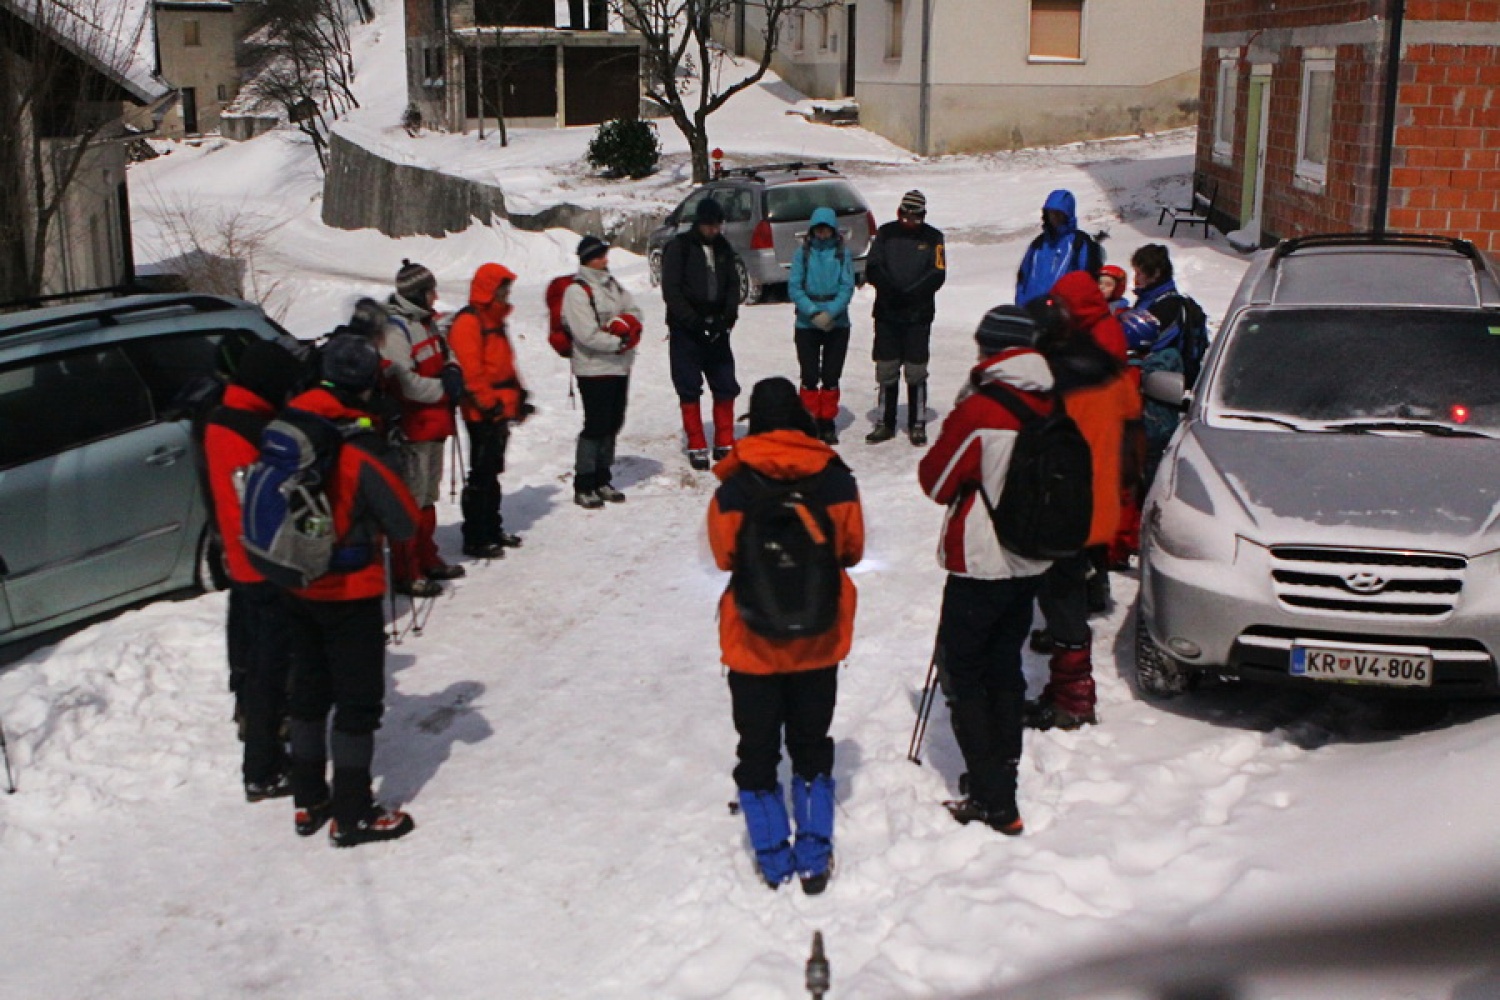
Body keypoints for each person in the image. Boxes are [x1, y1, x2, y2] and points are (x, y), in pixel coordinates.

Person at [708, 377, 864, 894]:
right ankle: (814, 854)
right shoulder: (837, 481)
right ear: (799, 420)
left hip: (752, 645)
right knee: (811, 744)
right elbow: (852, 550)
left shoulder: (733, 488)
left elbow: (725, 557)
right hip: (819, 640)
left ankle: (773, 856)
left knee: (756, 749)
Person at [917, 307, 1056, 835]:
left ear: (994, 352)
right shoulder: (1050, 400)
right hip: (1032, 556)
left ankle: (994, 797)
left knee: (966, 674)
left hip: (980, 561)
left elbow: (935, 482)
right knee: (1004, 665)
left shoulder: (982, 409)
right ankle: (1004, 769)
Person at [283, 334, 422, 847]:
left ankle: (308, 799)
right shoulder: (357, 447)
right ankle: (354, 812)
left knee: (309, 694)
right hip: (349, 587)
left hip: (295, 580)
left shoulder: (289, 427)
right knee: (357, 702)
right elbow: (405, 523)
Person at [1024, 272, 1140, 731]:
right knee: (1068, 578)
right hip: (1097, 485)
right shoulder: (1099, 354)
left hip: (1076, 491)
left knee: (1062, 586)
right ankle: (1069, 653)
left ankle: (1073, 695)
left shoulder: (1087, 361)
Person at [202, 338, 304, 802]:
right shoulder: (250, 429)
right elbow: (264, 506)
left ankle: (256, 733)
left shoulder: (220, 416)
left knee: (249, 656)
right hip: (262, 565)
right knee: (269, 665)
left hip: (238, 558)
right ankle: (262, 767)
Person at [381, 260, 468, 592]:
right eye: (430, 291)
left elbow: (447, 355)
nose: (435, 297)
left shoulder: (426, 323)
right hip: (412, 426)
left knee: (427, 494)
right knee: (411, 497)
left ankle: (426, 556)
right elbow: (406, 382)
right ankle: (407, 569)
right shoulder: (395, 329)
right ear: (417, 294)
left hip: (434, 423)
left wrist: (454, 371)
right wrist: (445, 389)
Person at [448, 262, 532, 553]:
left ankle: (491, 529)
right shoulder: (469, 322)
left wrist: (518, 397)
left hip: (498, 408)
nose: (507, 295)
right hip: (481, 411)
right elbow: (472, 372)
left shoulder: (493, 319)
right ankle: (476, 535)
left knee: (491, 472)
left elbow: (504, 364)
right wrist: (489, 405)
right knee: (481, 474)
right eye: (503, 289)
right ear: (489, 291)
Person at [661, 198, 742, 469]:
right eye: (709, 224)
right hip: (687, 329)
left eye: (717, 224)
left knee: (725, 384)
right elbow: (671, 290)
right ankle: (696, 444)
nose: (714, 230)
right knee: (688, 386)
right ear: (699, 223)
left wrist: (727, 318)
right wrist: (693, 321)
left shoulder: (723, 248)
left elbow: (733, 284)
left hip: (718, 326)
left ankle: (724, 440)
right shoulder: (679, 247)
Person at [565, 235, 644, 508]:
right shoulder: (577, 291)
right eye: (600, 256)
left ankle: (602, 477)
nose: (605, 260)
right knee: (596, 424)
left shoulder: (611, 283)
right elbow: (586, 333)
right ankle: (584, 482)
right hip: (592, 367)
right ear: (589, 259)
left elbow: (634, 309)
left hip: (618, 366)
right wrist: (619, 342)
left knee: (613, 422)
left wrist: (627, 325)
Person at [864, 189, 946, 445]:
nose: (910, 220)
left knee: (916, 369)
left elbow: (938, 273)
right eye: (906, 215)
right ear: (899, 213)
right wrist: (892, 291)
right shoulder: (885, 234)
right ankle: (884, 422)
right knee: (886, 367)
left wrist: (913, 293)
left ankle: (917, 422)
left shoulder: (934, 237)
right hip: (888, 312)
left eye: (916, 216)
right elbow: (873, 267)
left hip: (918, 314)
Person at [1119, 243, 1190, 487]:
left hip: (1158, 395)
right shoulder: (1148, 301)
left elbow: (1153, 347)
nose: (1135, 278)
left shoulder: (1167, 306)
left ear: (1155, 273)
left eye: (1140, 272)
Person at [788, 206, 856, 444]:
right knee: (809, 374)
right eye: (819, 229)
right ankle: (809, 419)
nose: (823, 234)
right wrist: (813, 312)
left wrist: (832, 312)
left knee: (831, 375)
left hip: (837, 323)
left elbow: (847, 286)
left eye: (827, 229)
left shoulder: (841, 253)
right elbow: (794, 287)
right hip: (807, 322)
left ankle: (827, 421)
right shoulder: (803, 253)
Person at [1015, 189, 1103, 309]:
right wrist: (1021, 305)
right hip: (1032, 311)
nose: (1054, 218)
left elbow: (1087, 279)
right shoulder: (1038, 244)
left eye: (1058, 213)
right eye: (1051, 213)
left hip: (1062, 315)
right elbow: (1023, 278)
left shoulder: (1079, 242)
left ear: (1068, 214)